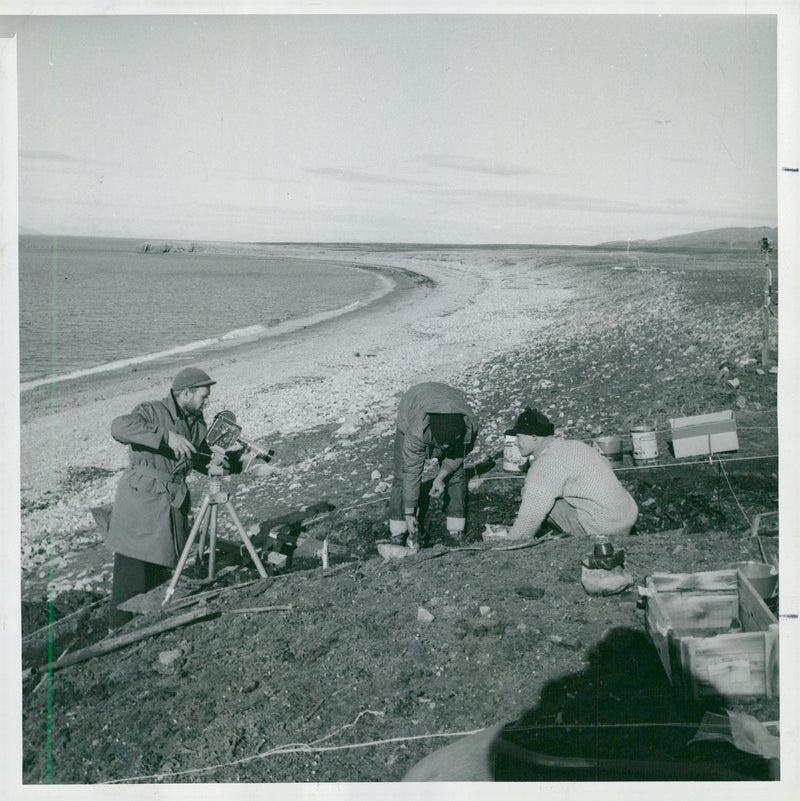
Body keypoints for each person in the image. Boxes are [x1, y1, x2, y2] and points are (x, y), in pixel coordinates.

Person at [106, 366, 223, 629]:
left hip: (171, 505)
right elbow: (119, 427)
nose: (207, 401)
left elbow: (202, 460)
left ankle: (147, 626)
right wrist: (166, 436)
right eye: (203, 396)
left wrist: (242, 464)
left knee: (160, 570)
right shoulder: (152, 411)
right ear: (186, 393)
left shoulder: (197, 422)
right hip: (142, 505)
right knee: (131, 575)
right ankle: (117, 630)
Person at [496, 408, 638, 560]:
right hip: (626, 518)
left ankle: (568, 542)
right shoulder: (575, 445)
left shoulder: (546, 463)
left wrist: (511, 543)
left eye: (518, 437)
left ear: (533, 437)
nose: (516, 443)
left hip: (604, 528)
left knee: (534, 496)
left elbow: (530, 515)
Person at [388, 382, 479, 548]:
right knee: (402, 476)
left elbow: (459, 455)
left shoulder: (469, 427)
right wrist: (410, 512)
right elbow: (411, 472)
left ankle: (455, 531)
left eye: (448, 445)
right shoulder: (416, 431)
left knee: (456, 474)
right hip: (413, 402)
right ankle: (398, 532)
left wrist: (440, 478)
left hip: (448, 399)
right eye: (440, 444)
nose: (444, 449)